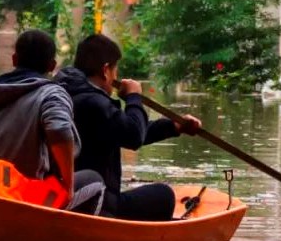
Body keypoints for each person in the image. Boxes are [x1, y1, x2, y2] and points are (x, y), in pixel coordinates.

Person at [0, 29, 105, 214]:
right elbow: (60, 130)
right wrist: (68, 185)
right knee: (95, 181)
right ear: (52, 65)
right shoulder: (51, 94)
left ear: (14, 60)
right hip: (19, 205)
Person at [56, 33, 202, 221]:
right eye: (116, 69)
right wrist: (134, 98)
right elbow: (133, 135)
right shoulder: (95, 102)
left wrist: (173, 127)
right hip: (99, 203)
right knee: (163, 195)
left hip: (66, 194)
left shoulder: (65, 94)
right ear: (106, 70)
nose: (116, 76)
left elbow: (125, 130)